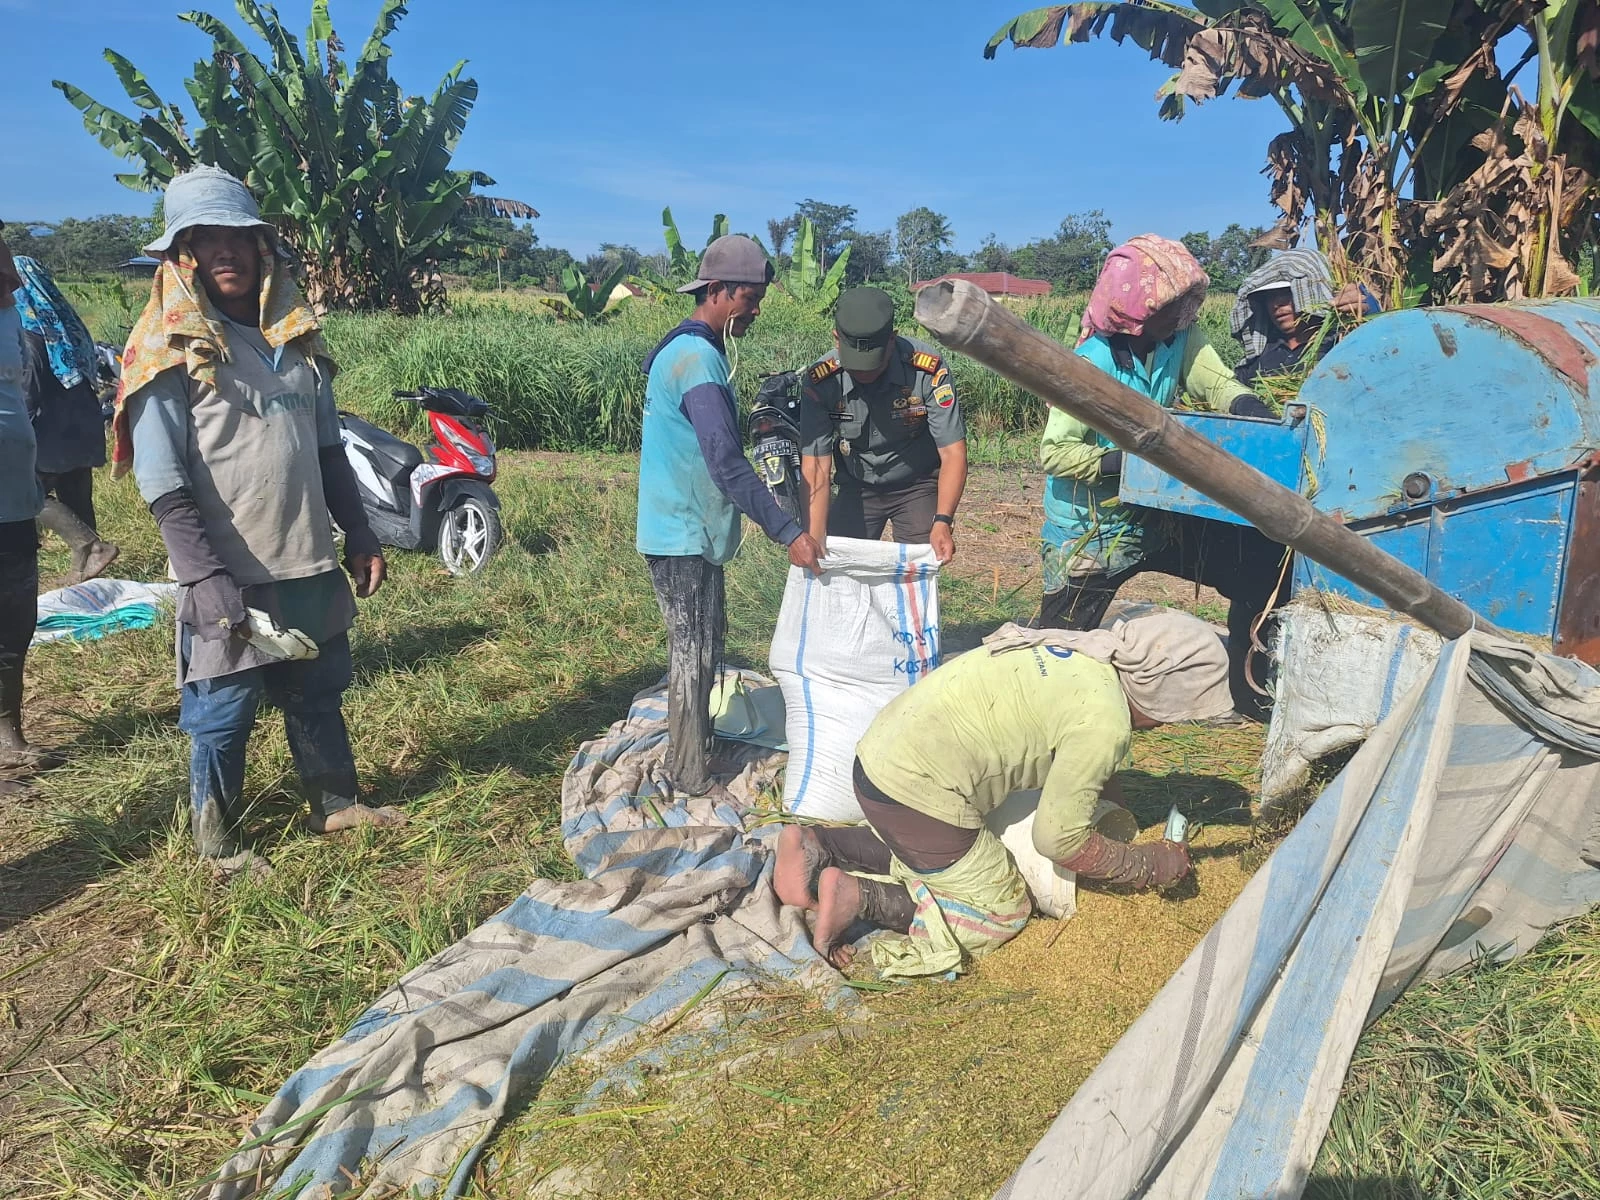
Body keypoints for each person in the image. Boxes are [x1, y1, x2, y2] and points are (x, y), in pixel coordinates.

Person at [116, 166, 402, 875]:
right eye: (203, 240)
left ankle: (334, 802)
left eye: (237, 238)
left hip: (305, 556)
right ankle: (219, 844)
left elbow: (328, 446)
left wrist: (360, 531)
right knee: (222, 712)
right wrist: (203, 574)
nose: (224, 253)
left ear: (263, 247)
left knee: (317, 690)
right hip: (226, 574)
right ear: (182, 257)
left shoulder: (296, 338)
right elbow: (161, 480)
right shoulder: (170, 353)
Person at [774, 609, 1230, 977]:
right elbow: (1056, 841)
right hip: (919, 795)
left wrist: (1115, 815)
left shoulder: (1079, 652)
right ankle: (859, 896)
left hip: (879, 760)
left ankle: (821, 843)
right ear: (1167, 703)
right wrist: (1147, 864)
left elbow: (1090, 771)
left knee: (933, 850)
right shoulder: (1105, 723)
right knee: (1004, 909)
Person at [1037, 234, 1283, 719]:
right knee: (1061, 637)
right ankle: (1049, 714)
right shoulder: (1092, 363)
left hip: (1156, 511)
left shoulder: (1181, 338)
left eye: (1188, 301)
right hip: (1093, 526)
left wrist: (1247, 408)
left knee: (1256, 565)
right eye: (1174, 305)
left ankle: (1252, 697)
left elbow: (1213, 380)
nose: (1186, 312)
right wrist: (1119, 464)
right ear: (1134, 308)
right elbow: (1055, 453)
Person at [636, 234, 824, 796]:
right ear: (717, 291)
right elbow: (724, 459)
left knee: (703, 642)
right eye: (749, 297)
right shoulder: (697, 360)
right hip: (682, 532)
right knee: (693, 651)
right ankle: (690, 773)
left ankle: (694, 751)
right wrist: (787, 528)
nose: (756, 310)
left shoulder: (691, 349)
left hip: (684, 526)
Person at [799, 286, 967, 562]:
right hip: (857, 485)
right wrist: (814, 538)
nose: (864, 374)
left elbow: (953, 453)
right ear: (836, 339)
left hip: (916, 484)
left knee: (918, 571)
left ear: (892, 339)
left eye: (873, 366)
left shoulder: (927, 370)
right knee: (840, 568)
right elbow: (816, 465)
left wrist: (943, 520)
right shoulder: (822, 381)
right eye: (856, 367)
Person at [13, 255, 120, 583]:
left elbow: (29, 390)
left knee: (29, 495)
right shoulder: (68, 326)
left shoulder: (28, 332)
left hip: (50, 431)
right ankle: (89, 568)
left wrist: (19, 429)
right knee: (76, 494)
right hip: (83, 426)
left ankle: (89, 546)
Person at [0, 223, 58, 794]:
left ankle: (8, 737)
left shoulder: (9, 318)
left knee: (16, 620)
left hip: (14, 498)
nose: (13, 282)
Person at [1231, 248, 1376, 386]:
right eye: (1270, 297)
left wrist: (1370, 311)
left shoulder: (1340, 344)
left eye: (1286, 293)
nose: (1277, 304)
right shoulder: (1260, 357)